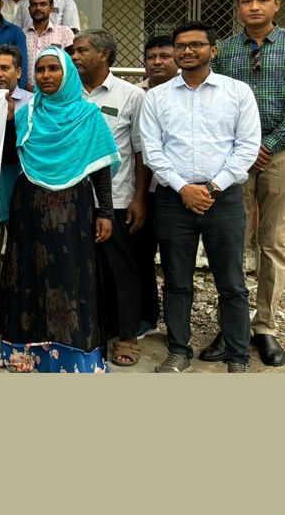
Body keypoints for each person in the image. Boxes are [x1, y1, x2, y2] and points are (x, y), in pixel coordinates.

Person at [141, 21, 260, 373]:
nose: (187, 51)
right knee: (176, 281)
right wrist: (183, 188)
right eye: (181, 46)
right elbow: (152, 150)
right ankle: (179, 351)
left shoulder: (237, 92)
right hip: (174, 199)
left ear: (213, 50)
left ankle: (237, 357)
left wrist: (212, 188)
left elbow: (247, 147)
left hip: (223, 199)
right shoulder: (157, 97)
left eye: (196, 44)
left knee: (232, 284)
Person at [0, 46, 119, 373]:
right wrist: (8, 123)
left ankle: (73, 355)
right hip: (30, 208)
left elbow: (100, 169)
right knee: (29, 274)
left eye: (54, 69)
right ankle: (26, 353)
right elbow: (9, 158)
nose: (46, 76)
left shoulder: (88, 115)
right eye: (40, 70)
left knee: (71, 275)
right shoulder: (26, 114)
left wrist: (105, 212)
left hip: (72, 209)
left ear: (68, 75)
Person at [208, 0, 285, 366]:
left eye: (262, 0)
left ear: (277, 4)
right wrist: (245, 147)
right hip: (233, 158)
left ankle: (265, 326)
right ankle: (230, 325)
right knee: (231, 242)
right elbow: (214, 102)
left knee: (272, 243)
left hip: (279, 155)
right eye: (247, 1)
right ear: (238, 6)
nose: (254, 6)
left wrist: (268, 143)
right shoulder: (223, 51)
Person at [71, 29, 148, 366]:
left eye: (81, 50)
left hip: (116, 199)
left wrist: (140, 197)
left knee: (120, 271)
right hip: (73, 198)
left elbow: (140, 150)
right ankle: (91, 334)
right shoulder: (66, 93)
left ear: (104, 55)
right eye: (73, 51)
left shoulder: (131, 96)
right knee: (82, 271)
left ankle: (127, 336)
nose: (75, 57)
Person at [0, 44, 33, 333]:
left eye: (5, 68)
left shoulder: (34, 104)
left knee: (23, 249)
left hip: (25, 189)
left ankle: (21, 307)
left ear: (19, 72)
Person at [134, 35, 178, 339]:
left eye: (165, 56)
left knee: (176, 261)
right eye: (152, 57)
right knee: (142, 256)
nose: (157, 62)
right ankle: (147, 317)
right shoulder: (137, 94)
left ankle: (178, 327)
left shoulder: (187, 93)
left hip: (179, 191)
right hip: (145, 191)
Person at [21, 0, 74, 91]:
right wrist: (26, 86)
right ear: (29, 9)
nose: (38, 8)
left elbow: (71, 65)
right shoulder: (21, 35)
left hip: (57, 93)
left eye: (43, 4)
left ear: (51, 8)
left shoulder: (65, 33)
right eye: (34, 5)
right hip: (26, 92)